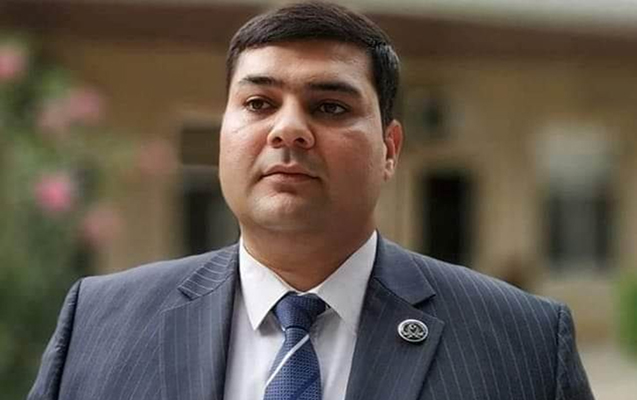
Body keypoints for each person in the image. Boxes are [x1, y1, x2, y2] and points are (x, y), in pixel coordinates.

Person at [28, 2, 594, 400]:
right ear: (222, 132)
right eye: (258, 103)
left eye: (330, 107)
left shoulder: (523, 343)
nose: (288, 130)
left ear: (390, 149)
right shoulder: (99, 322)